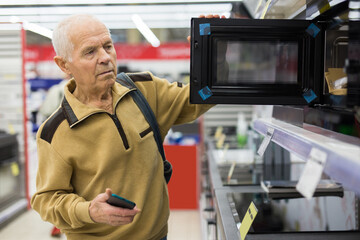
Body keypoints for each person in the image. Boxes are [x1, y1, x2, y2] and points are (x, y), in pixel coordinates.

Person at [30, 14, 216, 239]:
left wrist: (213, 55)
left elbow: (199, 97)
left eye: (108, 46)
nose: (105, 57)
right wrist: (88, 211)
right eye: (90, 52)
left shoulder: (144, 90)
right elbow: (46, 200)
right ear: (63, 64)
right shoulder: (55, 132)